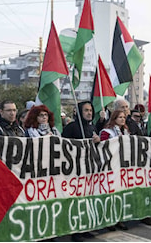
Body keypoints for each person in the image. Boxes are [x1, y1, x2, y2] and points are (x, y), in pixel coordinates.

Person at [62, 101, 99, 240]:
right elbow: (64, 145)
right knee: (76, 202)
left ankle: (84, 227)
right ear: (79, 112)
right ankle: (74, 231)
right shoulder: (71, 127)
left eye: (91, 110)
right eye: (86, 110)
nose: (89, 113)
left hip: (88, 170)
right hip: (74, 171)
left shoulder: (92, 127)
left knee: (87, 200)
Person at [99, 109, 130, 230]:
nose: (123, 119)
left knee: (121, 194)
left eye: (124, 117)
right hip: (110, 167)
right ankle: (109, 220)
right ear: (114, 119)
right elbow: (103, 146)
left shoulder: (126, 132)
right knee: (111, 194)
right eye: (120, 117)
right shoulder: (107, 132)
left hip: (123, 167)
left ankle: (119, 219)